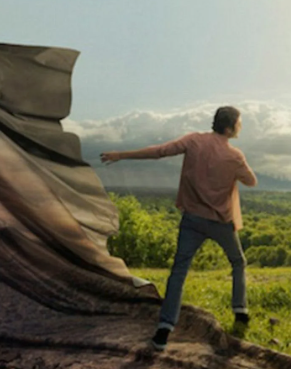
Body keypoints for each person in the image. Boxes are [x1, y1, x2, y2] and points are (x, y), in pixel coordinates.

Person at [100, 106, 257, 351]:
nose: (241, 126)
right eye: (240, 122)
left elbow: (159, 152)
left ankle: (164, 329)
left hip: (192, 220)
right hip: (221, 222)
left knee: (179, 271)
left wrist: (121, 154)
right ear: (229, 128)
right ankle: (240, 311)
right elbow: (251, 181)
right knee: (237, 262)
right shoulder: (235, 155)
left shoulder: (193, 140)